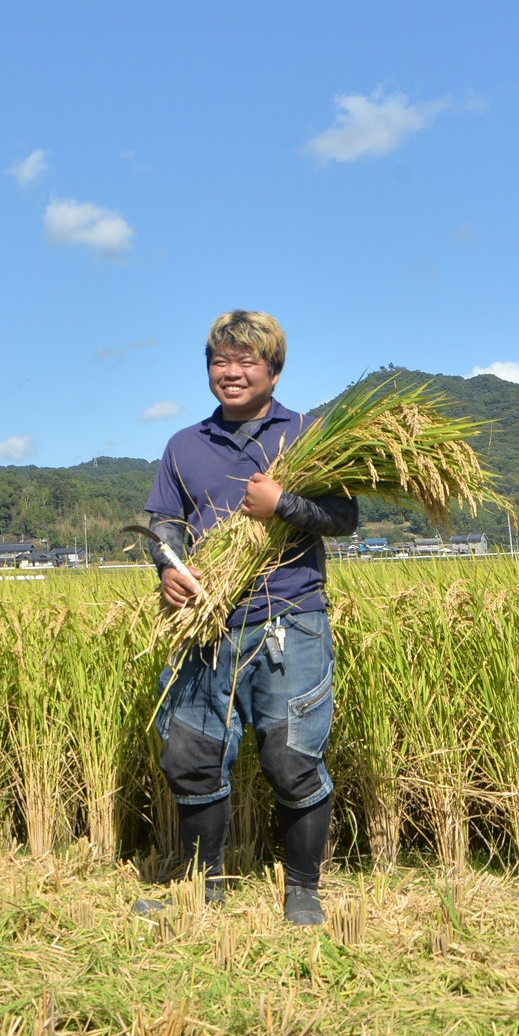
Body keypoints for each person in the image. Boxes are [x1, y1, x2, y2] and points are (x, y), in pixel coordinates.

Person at [138, 311, 357, 925]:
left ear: (274, 370)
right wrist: (167, 568)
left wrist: (280, 504)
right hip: (205, 625)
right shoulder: (185, 444)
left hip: (290, 618)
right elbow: (162, 522)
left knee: (291, 756)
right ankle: (203, 890)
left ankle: (303, 889)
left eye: (245, 361)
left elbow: (344, 518)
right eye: (219, 361)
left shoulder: (309, 435)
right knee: (192, 753)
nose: (230, 372)